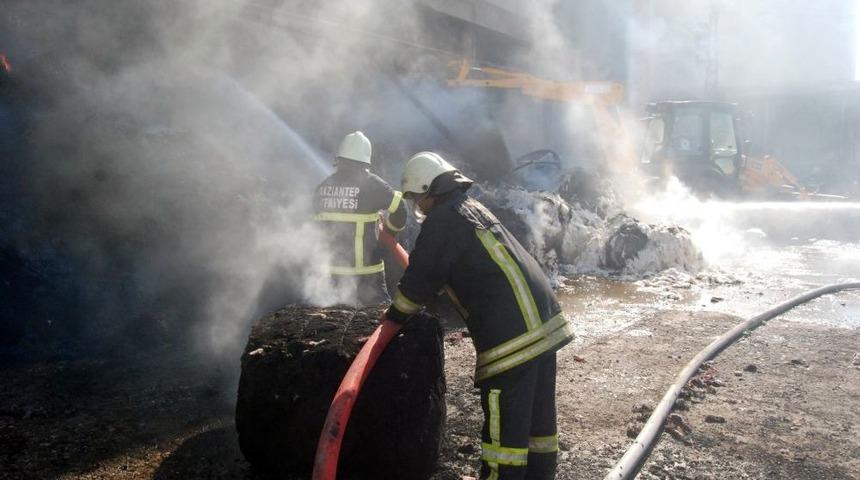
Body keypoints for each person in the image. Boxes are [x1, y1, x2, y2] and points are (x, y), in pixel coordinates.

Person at [385, 151, 574, 480]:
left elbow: (415, 287)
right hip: (545, 327)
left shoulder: (442, 221)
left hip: (511, 342)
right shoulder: (472, 209)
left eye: (417, 197)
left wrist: (391, 317)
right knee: (538, 427)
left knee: (504, 444)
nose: (417, 205)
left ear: (430, 191)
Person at [313, 131, 407, 305]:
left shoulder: (322, 188)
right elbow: (401, 208)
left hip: (333, 271)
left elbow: (314, 230)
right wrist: (390, 232)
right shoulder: (372, 184)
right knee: (376, 315)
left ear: (339, 159)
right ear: (365, 161)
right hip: (367, 271)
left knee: (336, 319)